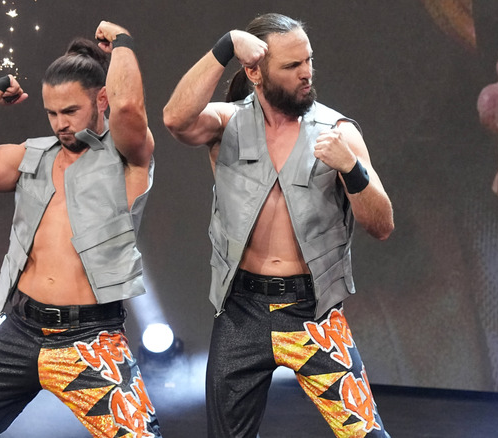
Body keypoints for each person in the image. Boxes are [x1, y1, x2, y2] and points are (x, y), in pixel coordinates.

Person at [163, 13, 394, 438]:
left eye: (308, 60)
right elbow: (175, 119)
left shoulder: (338, 131)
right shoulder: (226, 123)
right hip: (241, 310)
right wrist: (225, 46)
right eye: (292, 66)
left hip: (313, 312)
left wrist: (351, 168)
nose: (306, 73)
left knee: (365, 434)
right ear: (254, 72)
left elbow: (381, 225)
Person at [0, 21, 161, 438]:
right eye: (52, 113)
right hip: (20, 329)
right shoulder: (33, 155)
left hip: (90, 336)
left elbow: (130, 110)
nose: (60, 124)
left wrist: (123, 42)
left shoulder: (128, 158)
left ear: (101, 99)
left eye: (70, 111)